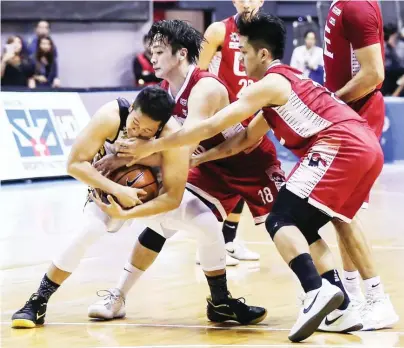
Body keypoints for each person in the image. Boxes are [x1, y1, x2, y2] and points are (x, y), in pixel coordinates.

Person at [115, 13, 383, 342]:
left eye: (243, 53)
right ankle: (341, 309)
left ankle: (316, 291)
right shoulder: (285, 85)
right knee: (304, 226)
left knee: (280, 219)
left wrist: (150, 148)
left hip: (341, 146)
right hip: (365, 146)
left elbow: (210, 126)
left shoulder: (268, 84)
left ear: (263, 55)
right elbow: (244, 139)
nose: (240, 60)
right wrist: (206, 156)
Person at [11, 86, 267, 329]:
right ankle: (37, 301)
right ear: (131, 108)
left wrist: (128, 213)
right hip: (109, 192)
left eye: (146, 132)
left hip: (150, 196)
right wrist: (118, 190)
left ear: (160, 127)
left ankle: (220, 302)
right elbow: (75, 165)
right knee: (88, 231)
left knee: (207, 224)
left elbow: (173, 198)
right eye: (134, 124)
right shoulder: (111, 116)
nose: (136, 132)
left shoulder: (173, 135)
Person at [86, 19, 282, 321]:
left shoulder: (204, 86)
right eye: (151, 51)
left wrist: (127, 160)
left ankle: (322, 290)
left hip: (248, 162)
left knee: (289, 224)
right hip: (207, 167)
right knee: (169, 224)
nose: (152, 58)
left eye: (160, 51)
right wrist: (117, 155)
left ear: (181, 54)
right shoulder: (162, 93)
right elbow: (160, 149)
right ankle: (121, 296)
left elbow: (184, 147)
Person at [323, 0, 399, 330]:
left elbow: (374, 73)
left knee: (341, 210)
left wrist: (332, 102)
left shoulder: (357, 7)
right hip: (348, 113)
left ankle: (377, 299)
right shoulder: (344, 4)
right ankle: (352, 295)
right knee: (338, 211)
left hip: (356, 114)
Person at [197, 0, 265, 264]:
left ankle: (229, 240)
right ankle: (207, 247)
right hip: (221, 117)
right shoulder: (217, 31)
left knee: (242, 182)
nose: (248, 2)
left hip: (253, 117)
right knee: (215, 184)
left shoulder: (266, 32)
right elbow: (197, 73)